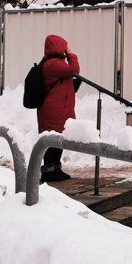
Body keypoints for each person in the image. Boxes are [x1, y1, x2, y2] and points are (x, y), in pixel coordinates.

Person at [38, 34, 79, 183]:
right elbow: (73, 70)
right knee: (52, 139)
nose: (66, 49)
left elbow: (66, 78)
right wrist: (71, 54)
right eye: (64, 47)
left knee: (59, 138)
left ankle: (56, 169)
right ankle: (49, 171)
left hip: (59, 108)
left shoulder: (55, 63)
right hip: (53, 109)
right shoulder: (53, 64)